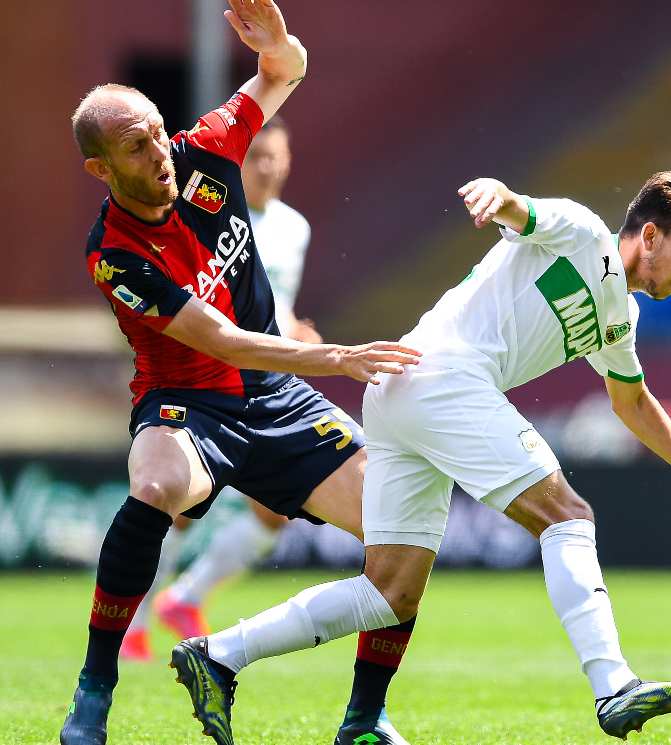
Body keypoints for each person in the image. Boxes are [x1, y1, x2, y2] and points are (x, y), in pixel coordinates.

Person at [169, 172, 671, 742]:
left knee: (389, 593)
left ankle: (219, 656)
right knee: (567, 516)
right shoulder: (586, 233)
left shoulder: (620, 315)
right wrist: (497, 194)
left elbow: (633, 402)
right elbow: (522, 210)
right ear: (650, 235)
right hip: (442, 378)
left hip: (402, 387)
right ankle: (613, 685)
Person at [59, 2, 422, 744]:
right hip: (187, 401)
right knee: (155, 486)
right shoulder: (114, 253)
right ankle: (95, 687)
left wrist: (279, 46)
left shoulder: (206, 151)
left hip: (276, 395)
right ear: (101, 168)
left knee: (406, 532)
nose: (159, 152)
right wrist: (336, 357)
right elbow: (221, 340)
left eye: (159, 132)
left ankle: (362, 716)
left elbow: (285, 73)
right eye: (136, 147)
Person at [120, 116, 320, 660]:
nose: (268, 167)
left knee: (273, 515)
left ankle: (186, 596)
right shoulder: (210, 212)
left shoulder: (295, 228)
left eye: (276, 156)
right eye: (256, 157)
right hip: (206, 378)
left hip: (264, 376)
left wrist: (296, 330)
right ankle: (133, 621)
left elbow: (275, 299)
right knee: (180, 506)